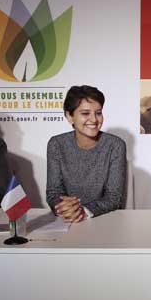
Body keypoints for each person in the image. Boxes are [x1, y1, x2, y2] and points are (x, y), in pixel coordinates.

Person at [46, 86, 126, 222]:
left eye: (98, 113)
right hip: (66, 219)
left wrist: (83, 211)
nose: (94, 120)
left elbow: (114, 197)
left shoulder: (115, 145)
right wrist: (63, 207)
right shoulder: (56, 144)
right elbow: (54, 192)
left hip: (105, 220)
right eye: (85, 113)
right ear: (69, 116)